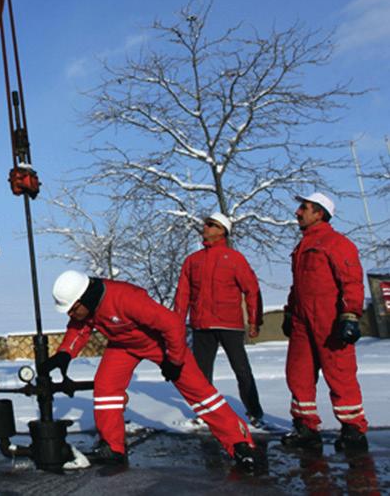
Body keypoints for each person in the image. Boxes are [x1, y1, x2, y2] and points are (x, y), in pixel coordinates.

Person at [40, 270, 259, 472]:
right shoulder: (87, 308)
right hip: (123, 345)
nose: (70, 313)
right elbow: (80, 328)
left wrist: (173, 361)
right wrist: (65, 353)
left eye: (72, 308)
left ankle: (240, 444)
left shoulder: (126, 298)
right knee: (106, 387)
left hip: (160, 343)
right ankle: (113, 447)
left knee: (200, 392)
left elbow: (173, 324)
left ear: (84, 298)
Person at [282, 192, 368, 452]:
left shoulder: (336, 243)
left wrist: (350, 315)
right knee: (298, 374)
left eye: (304, 208)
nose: (298, 212)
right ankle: (306, 427)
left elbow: (351, 280)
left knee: (340, 373)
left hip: (329, 321)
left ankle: (353, 429)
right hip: (301, 321)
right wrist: (289, 312)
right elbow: (298, 285)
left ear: (319, 213)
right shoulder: (302, 246)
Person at [173, 212, 265, 427]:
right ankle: (205, 413)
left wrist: (254, 321)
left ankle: (255, 412)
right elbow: (182, 295)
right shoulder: (192, 261)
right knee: (201, 374)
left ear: (222, 230)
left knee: (241, 369)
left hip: (229, 325)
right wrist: (177, 324)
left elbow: (251, 289)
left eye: (211, 224)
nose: (205, 227)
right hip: (201, 325)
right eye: (205, 224)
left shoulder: (234, 259)